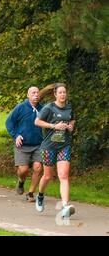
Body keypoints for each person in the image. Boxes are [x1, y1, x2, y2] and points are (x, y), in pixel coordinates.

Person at [34, 83, 76, 218]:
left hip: (64, 145)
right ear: (55, 94)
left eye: (64, 92)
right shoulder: (49, 108)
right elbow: (37, 121)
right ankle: (40, 196)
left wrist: (70, 127)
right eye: (60, 93)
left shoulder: (69, 107)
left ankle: (65, 206)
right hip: (49, 146)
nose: (63, 95)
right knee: (47, 176)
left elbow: (72, 120)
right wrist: (54, 125)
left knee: (63, 176)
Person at [5, 87, 43, 202]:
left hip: (38, 144)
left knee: (38, 168)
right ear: (28, 95)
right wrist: (16, 135)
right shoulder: (20, 107)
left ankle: (30, 193)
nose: (36, 95)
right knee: (23, 170)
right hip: (22, 144)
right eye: (33, 93)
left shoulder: (43, 108)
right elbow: (9, 122)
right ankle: (21, 181)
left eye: (37, 93)